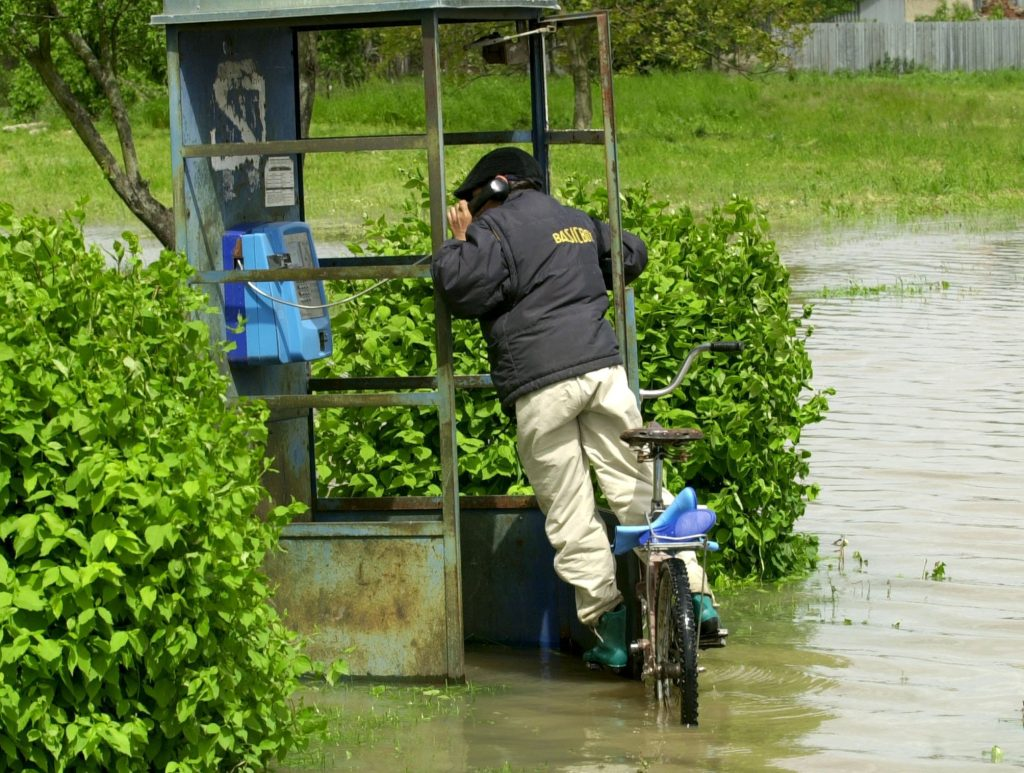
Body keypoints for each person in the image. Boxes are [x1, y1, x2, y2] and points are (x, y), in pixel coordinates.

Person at [430, 147, 719, 668]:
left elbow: (459, 286)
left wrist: (457, 241)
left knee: (570, 511)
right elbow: (632, 253)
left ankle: (608, 629)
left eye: (473, 201)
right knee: (638, 483)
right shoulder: (578, 223)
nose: (471, 211)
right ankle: (695, 598)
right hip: (603, 374)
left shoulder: (490, 232)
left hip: (542, 389)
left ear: (496, 188)